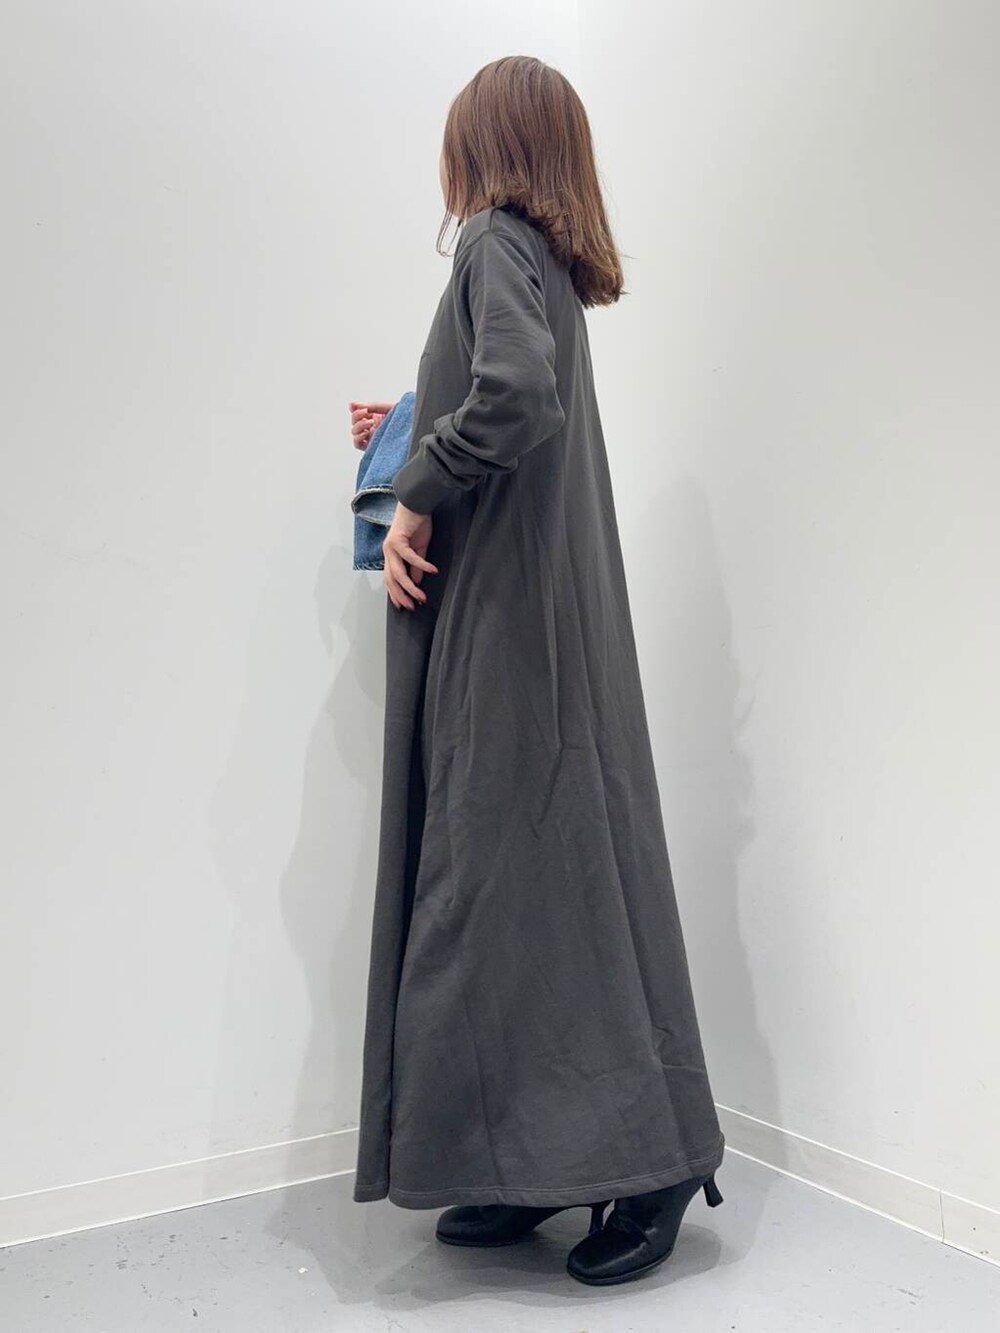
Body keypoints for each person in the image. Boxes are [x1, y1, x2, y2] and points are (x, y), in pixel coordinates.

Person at [348, 55, 725, 1287]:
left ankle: (651, 1161)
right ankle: (539, 1162)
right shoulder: (538, 266)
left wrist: (414, 492)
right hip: (544, 626)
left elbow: (515, 398)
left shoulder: (491, 244)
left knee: (499, 884)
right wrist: (410, 419)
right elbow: (503, 391)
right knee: (529, 887)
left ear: (487, 145)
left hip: (507, 633)